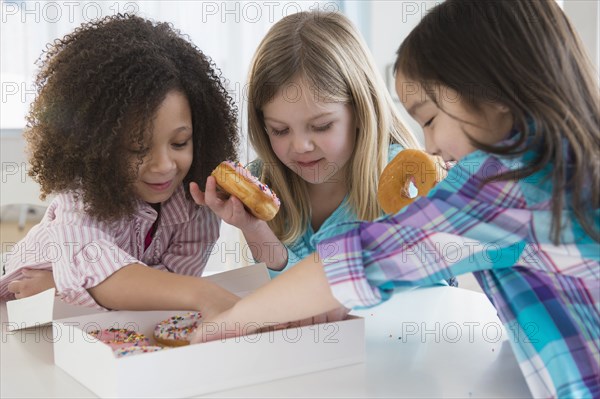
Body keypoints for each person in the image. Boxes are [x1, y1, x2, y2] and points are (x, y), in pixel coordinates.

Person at [191, 1, 600, 398]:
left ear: (496, 98)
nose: (430, 144)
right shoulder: (563, 168)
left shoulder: (504, 184)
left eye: (431, 119)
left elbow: (360, 261)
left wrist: (228, 322)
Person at [0, 14, 240, 316]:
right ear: (97, 145)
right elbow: (104, 272)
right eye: (139, 148)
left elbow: (172, 289)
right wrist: (201, 292)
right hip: (21, 321)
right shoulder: (81, 199)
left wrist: (58, 289)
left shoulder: (196, 201)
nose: (164, 165)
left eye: (179, 143)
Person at [191, 11, 422, 278]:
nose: (300, 146)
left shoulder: (402, 178)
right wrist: (253, 227)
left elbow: (428, 289)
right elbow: (286, 293)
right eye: (280, 130)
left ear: (360, 110)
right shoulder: (263, 181)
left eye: (322, 126)